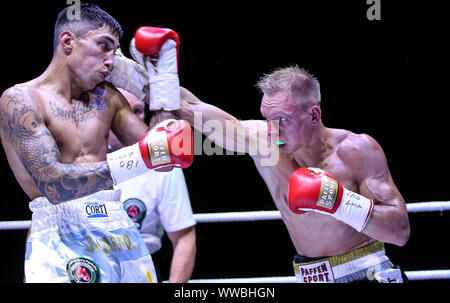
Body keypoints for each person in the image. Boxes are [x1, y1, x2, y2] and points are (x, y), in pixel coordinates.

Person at [0, 3, 192, 283]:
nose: (111, 62)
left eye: (114, 52)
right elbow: (53, 184)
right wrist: (140, 159)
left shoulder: (109, 98)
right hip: (62, 231)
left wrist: (161, 83)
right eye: (103, 46)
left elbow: (165, 154)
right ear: (68, 41)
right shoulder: (20, 100)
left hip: (119, 226)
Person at [177, 66, 410, 283]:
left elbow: (400, 232)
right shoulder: (265, 144)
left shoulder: (357, 150)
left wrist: (340, 203)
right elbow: (191, 107)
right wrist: (158, 75)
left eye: (282, 120)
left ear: (314, 114)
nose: (272, 129)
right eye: (267, 119)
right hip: (309, 276)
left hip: (367, 273)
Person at [108, 88, 196, 283]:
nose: (130, 120)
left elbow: (183, 236)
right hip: (84, 265)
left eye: (137, 111)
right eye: (121, 112)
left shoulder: (162, 164)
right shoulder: (80, 157)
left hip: (142, 268)